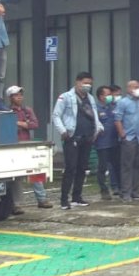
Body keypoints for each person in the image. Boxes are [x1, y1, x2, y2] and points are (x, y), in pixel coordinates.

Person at [52, 72, 102, 210]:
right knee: (70, 168)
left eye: (90, 83)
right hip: (72, 137)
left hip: (87, 137)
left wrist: (98, 128)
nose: (88, 86)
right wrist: (63, 131)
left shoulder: (90, 98)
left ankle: (77, 197)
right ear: (77, 82)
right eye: (85, 82)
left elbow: (95, 116)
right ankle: (64, 199)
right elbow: (56, 115)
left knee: (82, 168)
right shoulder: (66, 97)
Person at [7, 85, 53, 210]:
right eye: (16, 95)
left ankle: (42, 199)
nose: (19, 97)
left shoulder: (27, 110)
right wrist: (24, 124)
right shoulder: (7, 111)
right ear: (10, 97)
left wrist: (19, 123)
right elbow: (9, 126)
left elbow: (34, 124)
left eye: (20, 95)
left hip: (26, 145)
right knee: (15, 177)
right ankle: (16, 204)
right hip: (12, 146)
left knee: (35, 172)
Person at [115, 80, 139, 202]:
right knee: (127, 166)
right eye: (135, 87)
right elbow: (117, 119)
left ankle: (135, 191)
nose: (137, 89)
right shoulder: (123, 102)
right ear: (128, 89)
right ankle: (126, 193)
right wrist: (122, 134)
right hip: (128, 138)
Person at [94, 86, 121, 200]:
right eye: (107, 94)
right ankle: (104, 190)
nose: (110, 96)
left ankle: (119, 187)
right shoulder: (96, 108)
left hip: (115, 142)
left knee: (117, 166)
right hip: (102, 143)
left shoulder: (113, 106)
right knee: (102, 167)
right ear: (101, 96)